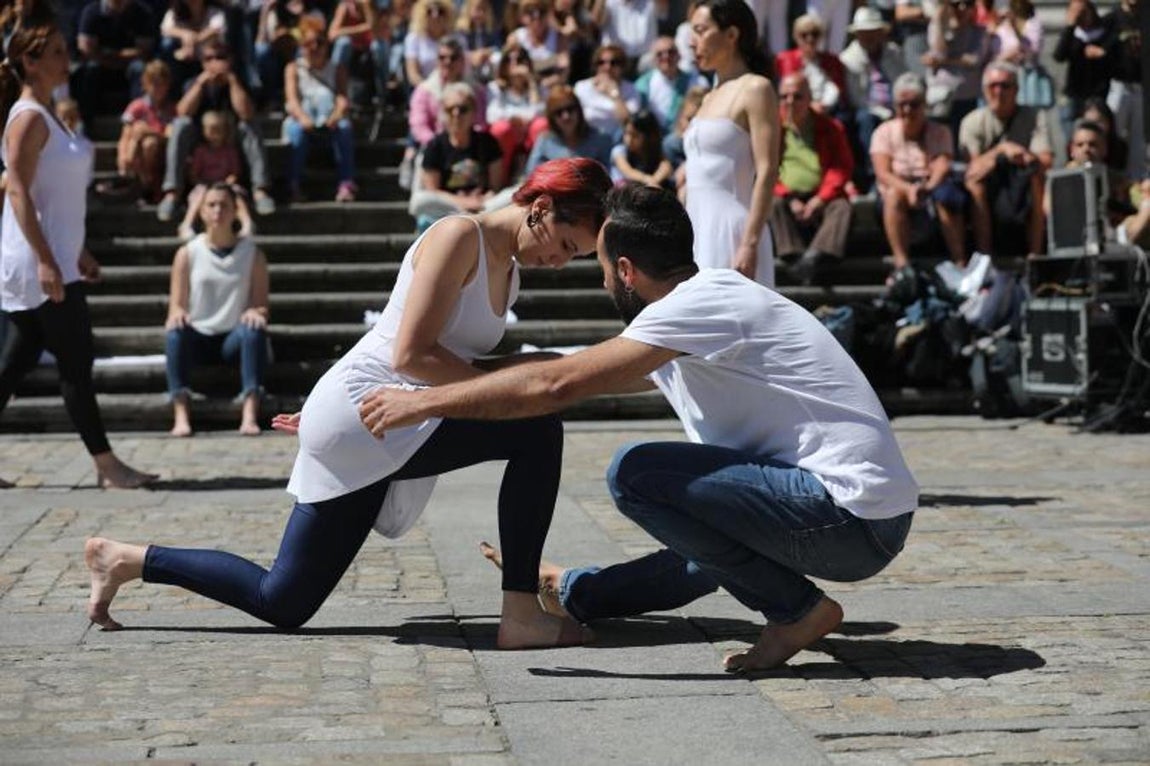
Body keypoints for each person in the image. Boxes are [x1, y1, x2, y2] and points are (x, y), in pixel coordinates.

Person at [356, 183, 919, 672]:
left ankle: (796, 611)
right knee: (704, 539)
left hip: (843, 517)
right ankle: (579, 592)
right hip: (865, 523)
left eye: (603, 269)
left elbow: (557, 384)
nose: (604, 283)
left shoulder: (694, 308)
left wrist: (429, 402)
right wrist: (572, 589)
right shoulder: (705, 307)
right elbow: (564, 365)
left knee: (635, 472)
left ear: (625, 270)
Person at [83, 158, 612, 651]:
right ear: (541, 208)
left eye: (574, 256)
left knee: (282, 601)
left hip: (381, 417)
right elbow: (409, 354)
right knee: (537, 429)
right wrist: (507, 393)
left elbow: (453, 361)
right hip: (368, 411)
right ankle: (520, 611)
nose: (560, 263)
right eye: (566, 245)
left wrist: (541, 372)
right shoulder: (458, 236)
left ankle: (127, 559)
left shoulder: (509, 271)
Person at [0, 22, 157, 490]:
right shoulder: (28, 117)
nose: (65, 58)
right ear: (30, 62)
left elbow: (55, 197)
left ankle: (107, 464)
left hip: (57, 257)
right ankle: (107, 464)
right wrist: (47, 259)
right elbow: (18, 193)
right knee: (76, 360)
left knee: (14, 363)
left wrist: (78, 250)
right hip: (38, 263)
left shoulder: (49, 114)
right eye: (55, 52)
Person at [682, 0, 778, 287]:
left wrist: (749, 242)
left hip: (733, 232)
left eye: (701, 30)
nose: (692, 41)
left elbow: (768, 169)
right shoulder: (708, 95)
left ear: (732, 35)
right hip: (697, 229)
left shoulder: (755, 88)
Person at [165, 183, 269, 437]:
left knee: (254, 330)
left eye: (224, 205)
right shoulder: (187, 253)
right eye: (211, 205)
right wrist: (178, 314)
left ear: (235, 211)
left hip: (233, 339)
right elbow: (176, 306)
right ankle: (180, 413)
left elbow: (261, 306)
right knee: (175, 333)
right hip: (199, 336)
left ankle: (249, 412)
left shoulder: (253, 254)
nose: (217, 211)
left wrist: (255, 312)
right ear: (201, 211)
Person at [157, 40, 276, 223]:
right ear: (202, 62)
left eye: (220, 57)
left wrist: (232, 81)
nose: (215, 62)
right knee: (180, 125)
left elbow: (246, 113)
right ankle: (172, 193)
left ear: (230, 59)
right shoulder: (193, 83)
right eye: (209, 58)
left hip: (230, 140)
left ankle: (260, 191)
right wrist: (201, 83)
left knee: (250, 126)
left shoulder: (241, 81)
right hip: (202, 142)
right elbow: (182, 111)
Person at [872, 72, 968, 270]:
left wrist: (928, 187)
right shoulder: (883, 132)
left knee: (947, 196)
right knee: (893, 195)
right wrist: (909, 189)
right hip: (897, 185)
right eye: (902, 105)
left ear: (924, 104)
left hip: (931, 184)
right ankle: (902, 263)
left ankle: (960, 260)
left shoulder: (940, 131)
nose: (908, 110)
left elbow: (943, 164)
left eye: (914, 104)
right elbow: (883, 172)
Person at [959, 61, 1053, 256]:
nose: (998, 91)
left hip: (1023, 182)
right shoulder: (972, 121)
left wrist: (1021, 155)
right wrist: (1001, 150)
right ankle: (985, 256)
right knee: (974, 184)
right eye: (993, 86)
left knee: (1037, 180)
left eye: (1005, 86)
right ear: (984, 90)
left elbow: (1045, 160)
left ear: (1016, 90)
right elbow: (973, 169)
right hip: (991, 183)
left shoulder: (1035, 117)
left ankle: (1035, 254)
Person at [770, 73, 853, 286]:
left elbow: (841, 167)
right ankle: (794, 256)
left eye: (797, 96)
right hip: (787, 196)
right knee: (773, 203)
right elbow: (767, 169)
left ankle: (813, 257)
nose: (790, 102)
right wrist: (789, 197)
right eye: (784, 96)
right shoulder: (772, 128)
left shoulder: (830, 127)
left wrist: (821, 199)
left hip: (821, 195)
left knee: (842, 206)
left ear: (809, 98)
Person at [409, 82, 505, 231]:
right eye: (449, 110)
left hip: (483, 206)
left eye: (462, 109)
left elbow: (496, 186)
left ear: (473, 112)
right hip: (448, 208)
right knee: (419, 200)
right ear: (442, 114)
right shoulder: (434, 145)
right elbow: (432, 190)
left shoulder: (488, 142)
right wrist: (463, 202)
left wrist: (485, 197)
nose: (456, 114)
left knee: (511, 195)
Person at [283, 19, 358, 203]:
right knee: (296, 132)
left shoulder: (337, 68)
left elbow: (342, 97)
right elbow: (292, 100)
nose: (315, 48)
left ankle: (346, 183)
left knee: (345, 128)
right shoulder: (293, 68)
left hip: (329, 118)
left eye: (319, 42)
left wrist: (336, 115)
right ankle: (293, 184)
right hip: (302, 118)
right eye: (309, 43)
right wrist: (303, 118)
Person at [838, 7, 906, 193]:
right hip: (869, 108)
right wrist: (884, 112)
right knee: (865, 119)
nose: (869, 37)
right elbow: (856, 98)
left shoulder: (894, 52)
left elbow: (904, 80)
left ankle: (904, 171)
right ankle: (874, 173)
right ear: (857, 35)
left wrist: (898, 107)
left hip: (896, 106)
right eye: (865, 32)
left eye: (873, 31)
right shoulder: (848, 59)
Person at [175, 110, 256, 241]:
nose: (215, 134)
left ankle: (247, 223)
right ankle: (187, 224)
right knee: (200, 194)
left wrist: (229, 181)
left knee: (236, 194)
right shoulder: (200, 151)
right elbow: (193, 174)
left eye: (219, 130)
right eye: (211, 130)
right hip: (205, 184)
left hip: (225, 185)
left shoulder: (230, 151)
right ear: (204, 131)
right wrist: (202, 182)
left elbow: (234, 172)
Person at [74, 0, 156, 124]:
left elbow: (143, 51)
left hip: (128, 66)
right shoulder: (92, 11)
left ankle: (138, 119)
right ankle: (85, 121)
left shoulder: (141, 12)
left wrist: (109, 54)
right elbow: (86, 49)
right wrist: (120, 55)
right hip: (101, 65)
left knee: (139, 68)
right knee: (89, 69)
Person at [923, 0, 989, 144]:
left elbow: (973, 60)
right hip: (941, 97)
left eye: (967, 4)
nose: (962, 9)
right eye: (955, 4)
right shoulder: (937, 28)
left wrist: (944, 61)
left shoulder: (979, 32)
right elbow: (938, 53)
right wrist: (939, 22)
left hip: (967, 97)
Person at [1052, 0, 1115, 146]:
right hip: (1074, 94)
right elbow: (1059, 56)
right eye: (1075, 12)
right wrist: (1070, 26)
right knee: (1072, 140)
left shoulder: (1105, 33)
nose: (1079, 16)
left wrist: (1103, 53)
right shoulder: (1073, 35)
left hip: (1097, 94)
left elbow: (1116, 58)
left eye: (1082, 12)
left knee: (1095, 138)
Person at [112, 59, 175, 204]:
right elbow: (125, 135)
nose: (158, 88)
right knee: (136, 132)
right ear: (145, 84)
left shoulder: (171, 109)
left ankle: (149, 187)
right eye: (154, 84)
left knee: (149, 142)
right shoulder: (137, 106)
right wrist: (122, 156)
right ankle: (133, 180)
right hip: (137, 155)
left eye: (162, 84)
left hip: (161, 154)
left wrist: (148, 131)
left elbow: (169, 136)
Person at [486, 40, 548, 182]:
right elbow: (492, 116)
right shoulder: (495, 88)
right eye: (509, 60)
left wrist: (531, 82)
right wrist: (514, 118)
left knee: (541, 125)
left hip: (530, 136)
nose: (515, 64)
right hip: (508, 137)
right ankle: (499, 180)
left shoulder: (538, 87)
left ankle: (539, 179)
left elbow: (542, 113)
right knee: (501, 128)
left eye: (519, 59)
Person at [523, 85, 613, 172]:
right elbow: (531, 173)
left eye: (570, 109)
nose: (566, 116)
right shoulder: (545, 141)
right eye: (559, 112)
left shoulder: (601, 139)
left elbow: (607, 175)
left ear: (579, 110)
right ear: (551, 117)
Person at [774, 13, 847, 115]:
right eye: (804, 35)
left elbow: (837, 89)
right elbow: (786, 91)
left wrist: (824, 104)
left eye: (815, 34)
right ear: (795, 36)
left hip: (828, 108)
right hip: (796, 108)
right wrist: (810, 105)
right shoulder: (785, 59)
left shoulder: (832, 60)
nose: (810, 39)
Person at [1104, 0, 1143, 179]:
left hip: (1141, 85)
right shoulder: (1112, 18)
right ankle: (1112, 176)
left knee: (1139, 138)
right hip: (1119, 84)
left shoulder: (1144, 16)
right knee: (1115, 132)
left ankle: (1136, 178)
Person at [634, 36, 703, 136]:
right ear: (653, 59)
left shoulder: (696, 81)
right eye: (660, 54)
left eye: (671, 52)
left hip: (683, 135)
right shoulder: (642, 85)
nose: (666, 57)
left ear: (679, 55)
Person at [573, 43, 640, 141]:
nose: (607, 67)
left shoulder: (631, 89)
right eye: (601, 62)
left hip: (618, 141)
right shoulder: (581, 87)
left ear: (622, 66)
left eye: (614, 63)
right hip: (587, 141)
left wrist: (613, 93)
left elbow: (628, 121)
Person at [610, 109, 672, 188]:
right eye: (627, 133)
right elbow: (628, 171)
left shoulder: (654, 152)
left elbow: (666, 167)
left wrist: (655, 181)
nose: (629, 140)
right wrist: (649, 181)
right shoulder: (619, 151)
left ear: (648, 137)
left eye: (635, 135)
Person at [404, 0, 460, 88]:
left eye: (440, 11)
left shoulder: (457, 38)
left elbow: (463, 70)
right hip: (424, 88)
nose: (435, 15)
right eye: (429, 11)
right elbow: (413, 75)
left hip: (454, 88)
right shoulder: (413, 39)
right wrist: (430, 90)